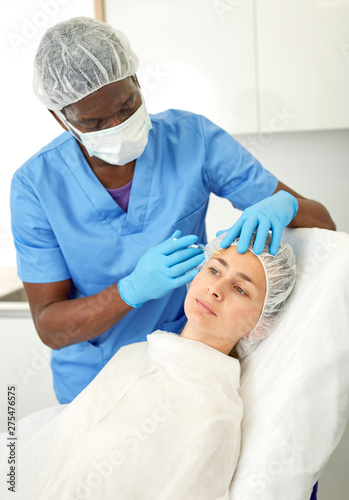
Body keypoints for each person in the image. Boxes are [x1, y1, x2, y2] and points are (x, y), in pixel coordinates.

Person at [10, 17, 335, 408]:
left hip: (186, 368)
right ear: (60, 118)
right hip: (94, 386)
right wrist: (129, 291)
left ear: (137, 81)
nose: (118, 125)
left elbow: (324, 225)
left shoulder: (193, 139)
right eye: (95, 122)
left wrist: (286, 204)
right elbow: (50, 327)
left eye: (127, 105)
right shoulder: (35, 185)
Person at [0, 234, 296, 499]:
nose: (215, 289)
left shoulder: (212, 417)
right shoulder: (139, 354)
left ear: (261, 325)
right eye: (214, 270)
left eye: (241, 289)